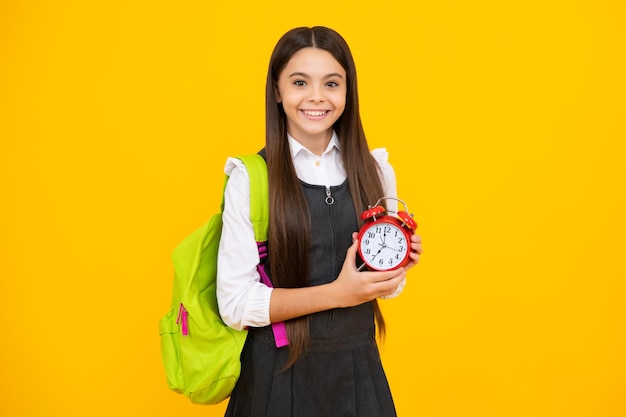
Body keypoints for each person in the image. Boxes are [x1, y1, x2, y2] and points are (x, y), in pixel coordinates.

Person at [216, 26, 423, 417]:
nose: (316, 97)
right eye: (299, 82)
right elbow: (236, 304)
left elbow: (386, 288)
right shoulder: (251, 178)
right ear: (277, 90)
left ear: (348, 91)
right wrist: (338, 293)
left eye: (331, 83)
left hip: (357, 377)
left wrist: (396, 266)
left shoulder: (376, 170)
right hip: (274, 381)